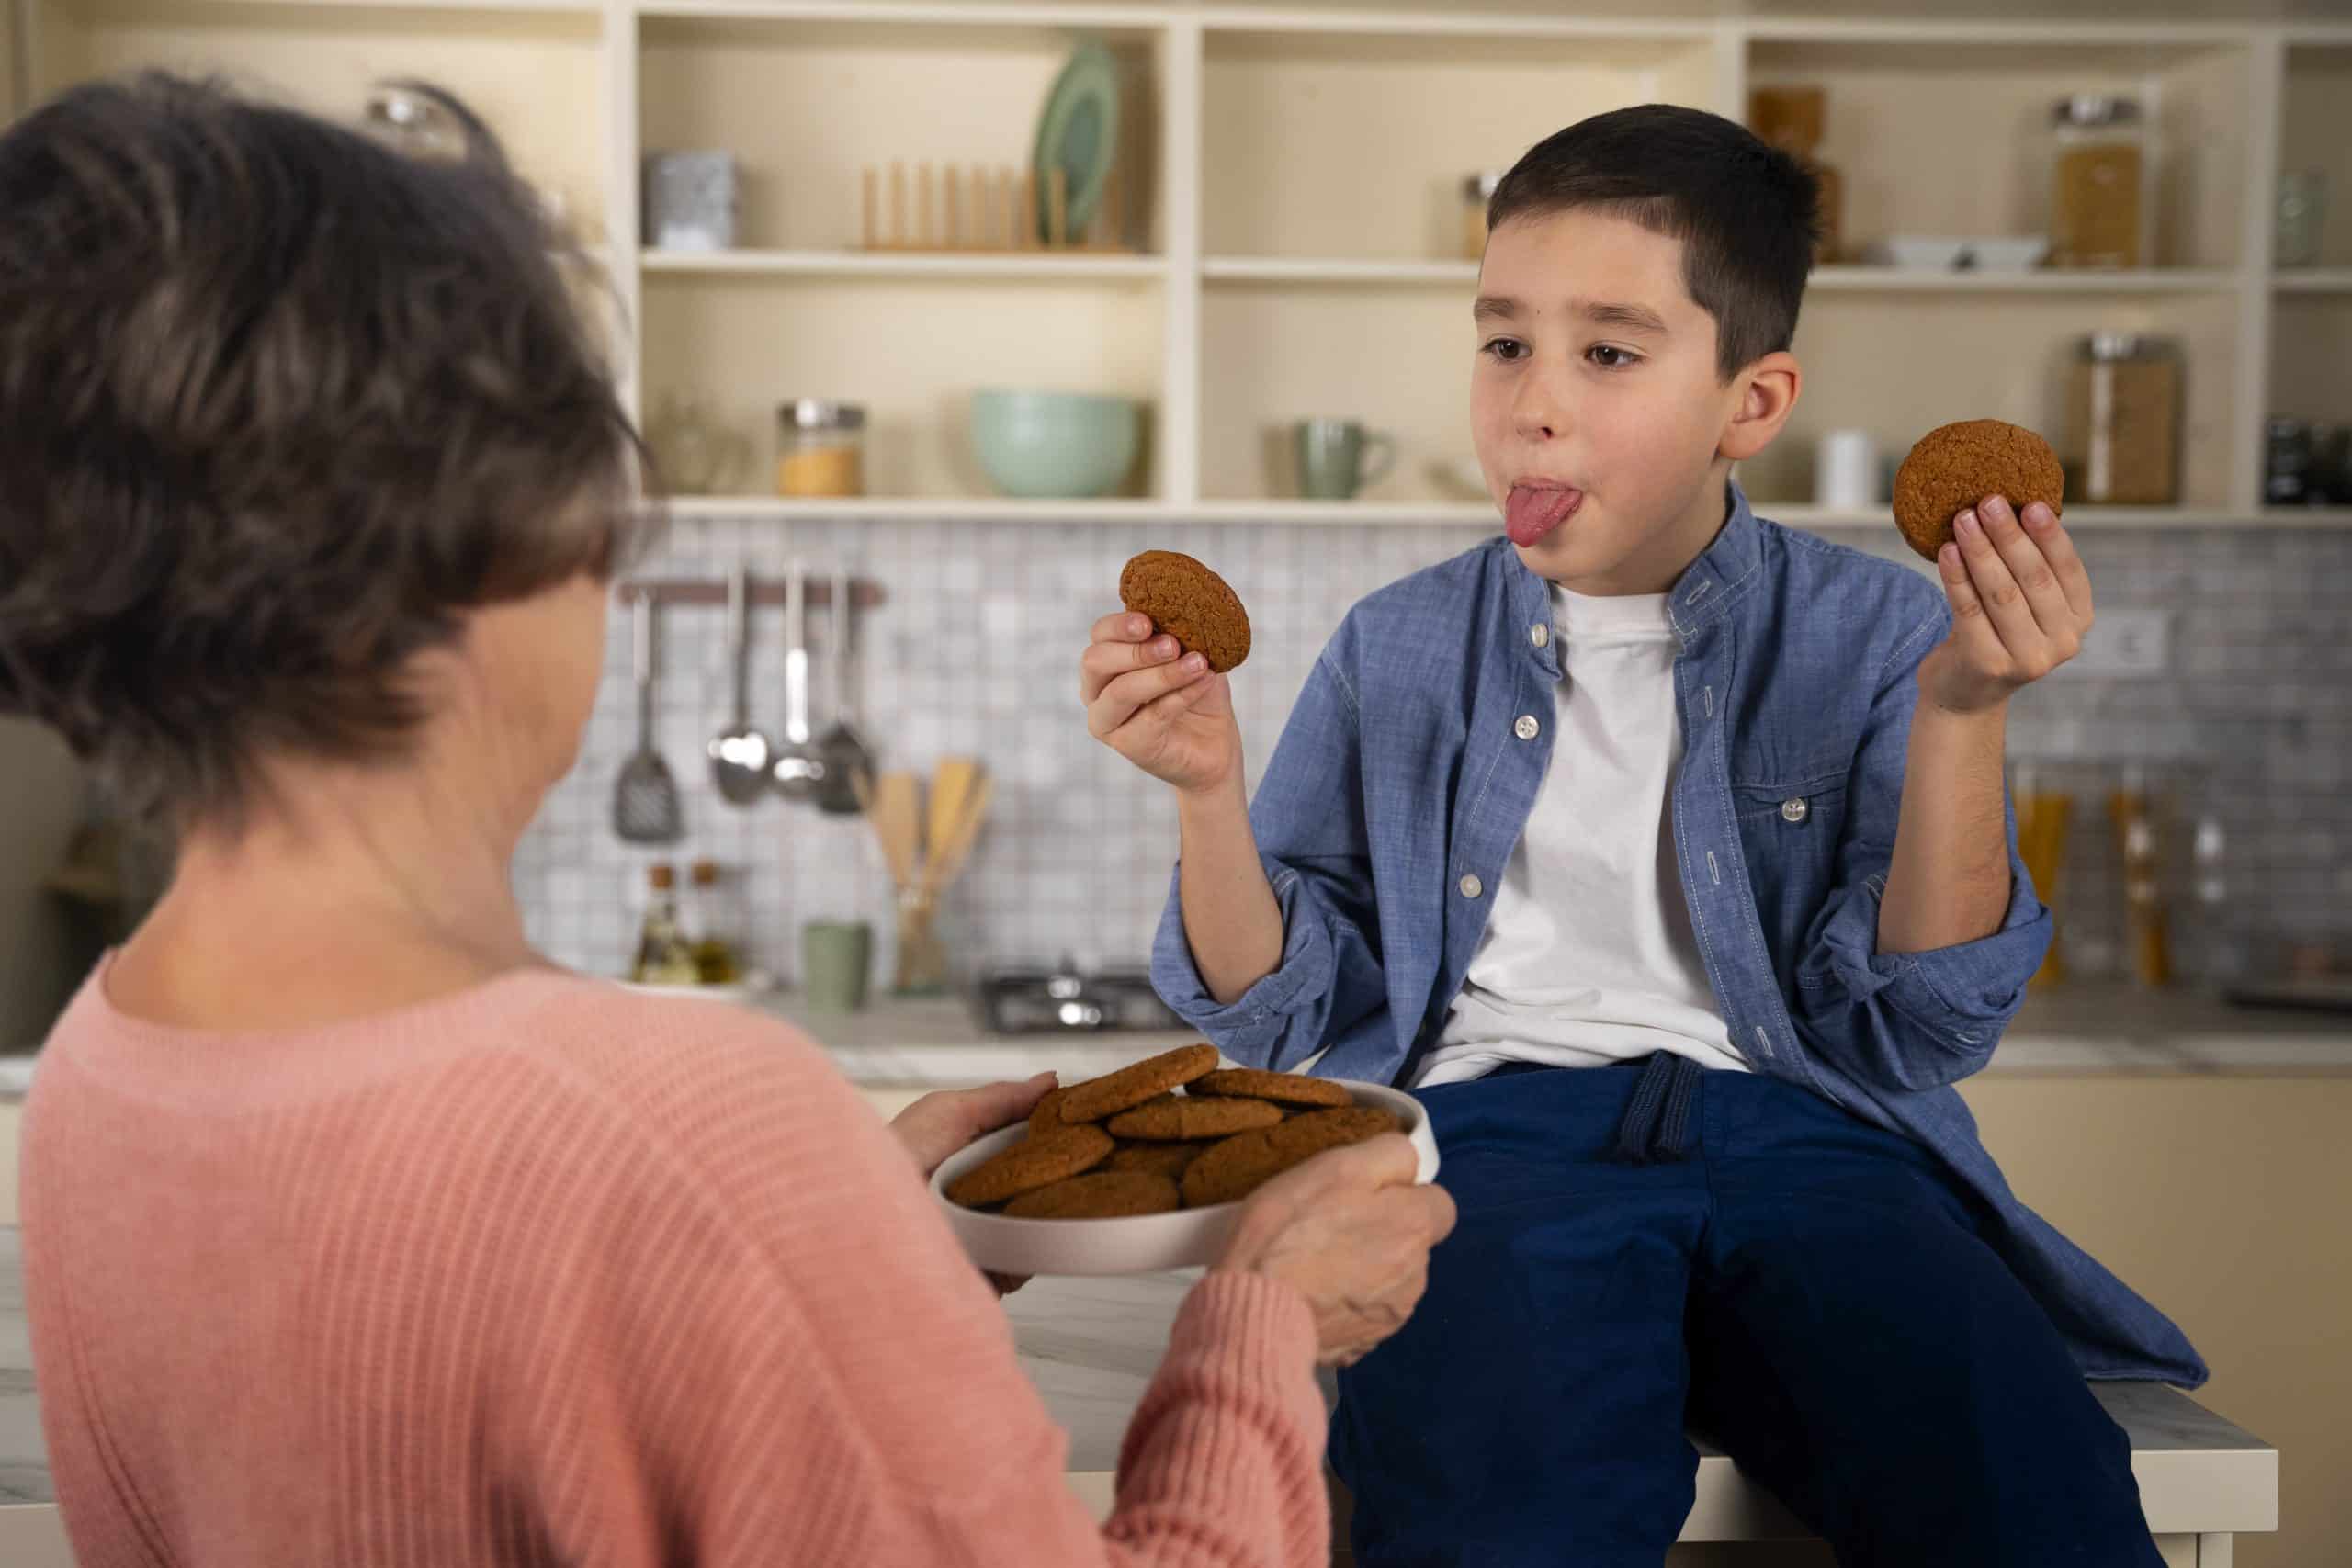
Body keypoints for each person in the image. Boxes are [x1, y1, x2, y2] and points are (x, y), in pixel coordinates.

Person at [0, 74, 1454, 1567]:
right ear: (489, 532)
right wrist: (1263, 1330)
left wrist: (835, 1257)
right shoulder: (690, 1128)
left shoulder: (98, 1077)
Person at [1083, 105, 2202, 1567]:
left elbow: (1925, 1027)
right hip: (1489, 1144)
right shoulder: (1394, 644)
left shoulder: (1882, 631)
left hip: (1816, 1134)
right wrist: (1204, 793)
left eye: (1607, 353)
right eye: (1504, 343)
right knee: (1502, 1513)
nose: (1531, 405)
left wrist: (1963, 709)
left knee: (2030, 1492)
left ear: (1752, 400)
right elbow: (1285, 1017)